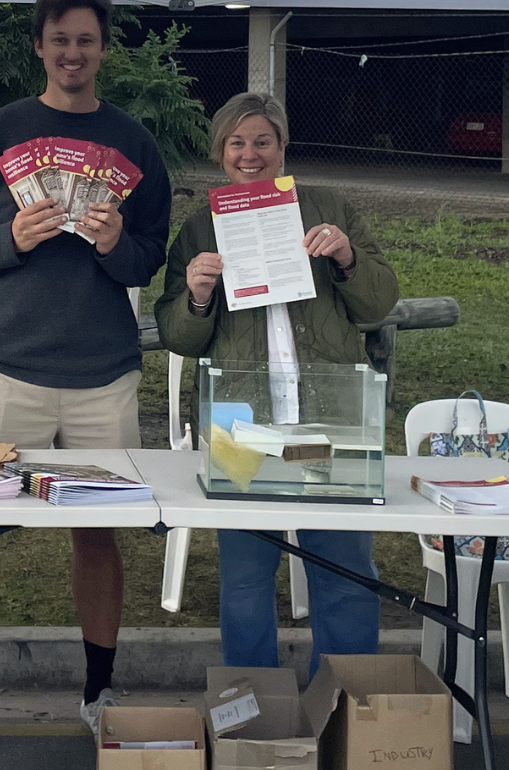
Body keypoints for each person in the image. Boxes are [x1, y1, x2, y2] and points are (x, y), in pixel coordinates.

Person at [0, 0, 171, 751]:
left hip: (104, 375)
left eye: (86, 40)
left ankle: (100, 691)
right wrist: (10, 241)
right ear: (40, 45)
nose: (72, 53)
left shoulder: (134, 143)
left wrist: (111, 245)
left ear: (103, 49)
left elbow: (148, 255)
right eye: (60, 39)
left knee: (98, 535)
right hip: (2, 371)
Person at [154, 92, 399, 674]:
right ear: (221, 153)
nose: (250, 154)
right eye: (236, 143)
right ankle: (256, 710)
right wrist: (196, 295)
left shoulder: (327, 206)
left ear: (283, 148)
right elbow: (177, 336)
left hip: (330, 415)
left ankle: (341, 707)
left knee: (343, 571)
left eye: (263, 141)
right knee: (245, 578)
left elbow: (379, 303)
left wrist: (347, 260)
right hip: (240, 422)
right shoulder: (198, 227)